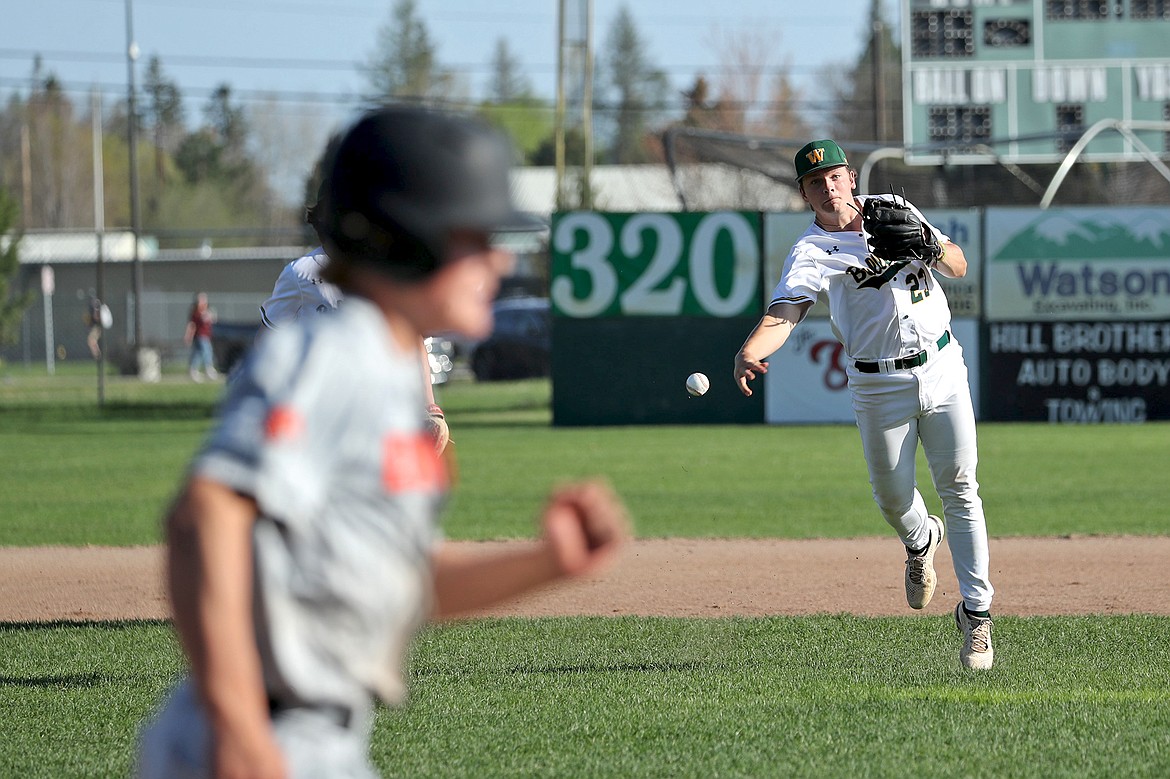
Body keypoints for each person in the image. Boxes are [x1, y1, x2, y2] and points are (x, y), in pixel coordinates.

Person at [135, 106, 629, 779]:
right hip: (263, 736)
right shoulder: (334, 353)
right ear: (408, 239)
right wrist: (239, 729)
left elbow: (404, 584)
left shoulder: (386, 375)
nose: (500, 256)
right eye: (474, 235)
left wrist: (549, 561)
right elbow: (203, 516)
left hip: (315, 738)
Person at [733, 139, 994, 670]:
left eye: (833, 176)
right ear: (805, 195)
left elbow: (960, 265)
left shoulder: (898, 212)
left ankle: (978, 615)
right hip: (878, 386)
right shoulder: (811, 251)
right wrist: (750, 351)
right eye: (814, 183)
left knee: (961, 485)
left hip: (941, 366)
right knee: (894, 499)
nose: (827, 188)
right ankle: (921, 543)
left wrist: (925, 242)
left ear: (850, 177)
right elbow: (787, 311)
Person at [260, 168, 449, 452]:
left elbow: (413, 338)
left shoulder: (383, 269)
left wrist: (429, 406)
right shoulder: (301, 273)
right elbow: (271, 340)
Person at [185, 292, 218, 382]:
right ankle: (208, 369)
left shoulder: (208, 311)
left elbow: (213, 320)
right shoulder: (196, 312)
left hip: (207, 336)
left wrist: (210, 315)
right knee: (207, 351)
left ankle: (193, 370)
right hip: (200, 336)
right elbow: (192, 325)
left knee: (198, 354)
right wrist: (188, 336)